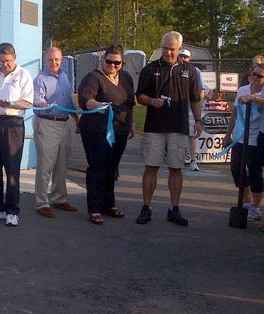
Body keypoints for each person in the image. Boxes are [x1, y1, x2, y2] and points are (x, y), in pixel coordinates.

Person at [135, 31, 202, 226]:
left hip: (179, 127)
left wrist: (198, 120)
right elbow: (140, 96)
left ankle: (174, 208)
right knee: (151, 167)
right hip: (154, 128)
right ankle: (146, 207)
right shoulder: (150, 68)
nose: (168, 52)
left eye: (172, 49)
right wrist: (152, 101)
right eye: (165, 48)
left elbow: (195, 99)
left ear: (179, 49)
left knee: (176, 168)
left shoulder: (190, 71)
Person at [78, 44, 135, 225]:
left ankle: (108, 204)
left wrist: (131, 124)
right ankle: (94, 208)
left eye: (116, 63)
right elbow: (85, 100)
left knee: (112, 169)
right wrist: (100, 105)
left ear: (122, 63)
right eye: (108, 61)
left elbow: (130, 103)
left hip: (120, 130)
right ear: (103, 60)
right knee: (98, 168)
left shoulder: (125, 78)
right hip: (97, 131)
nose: (112, 66)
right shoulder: (94, 78)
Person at [0, 43, 34, 227]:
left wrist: (10, 104)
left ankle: (12, 211)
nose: (4, 65)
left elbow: (27, 102)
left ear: (15, 57)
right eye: (1, 61)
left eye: (8, 61)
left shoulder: (23, 75)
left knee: (11, 169)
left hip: (13, 124)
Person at [33, 46, 80, 219]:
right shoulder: (40, 79)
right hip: (47, 124)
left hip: (64, 123)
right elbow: (38, 98)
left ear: (61, 60)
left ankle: (59, 198)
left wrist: (76, 119)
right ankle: (41, 203)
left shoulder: (64, 76)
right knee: (46, 165)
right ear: (46, 60)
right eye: (51, 60)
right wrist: (43, 104)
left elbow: (68, 100)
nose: (54, 63)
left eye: (57, 60)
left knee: (62, 164)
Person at [224, 63, 264, 221]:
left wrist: (253, 98)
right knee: (236, 169)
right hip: (240, 135)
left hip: (256, 137)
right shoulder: (243, 90)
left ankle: (256, 207)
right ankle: (247, 201)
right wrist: (228, 135)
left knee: (254, 172)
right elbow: (234, 113)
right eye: (253, 74)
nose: (255, 78)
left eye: (259, 76)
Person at [178, 48, 207, 171]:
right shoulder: (173, 69)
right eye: (181, 56)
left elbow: (201, 89)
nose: (183, 59)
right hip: (176, 106)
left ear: (189, 59)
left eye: (185, 57)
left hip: (190, 106)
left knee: (191, 134)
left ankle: (193, 160)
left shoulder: (194, 71)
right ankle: (177, 158)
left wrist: (198, 108)